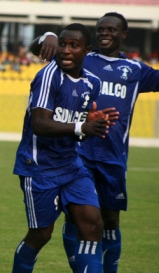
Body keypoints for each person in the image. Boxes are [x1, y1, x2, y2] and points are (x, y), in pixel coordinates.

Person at [36, 12, 159, 273]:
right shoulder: (83, 58)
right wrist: (48, 35)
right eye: (101, 29)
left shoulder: (136, 70)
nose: (105, 33)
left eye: (111, 29)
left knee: (110, 220)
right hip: (79, 153)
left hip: (112, 157)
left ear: (124, 34)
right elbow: (43, 48)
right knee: (76, 216)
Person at [13, 23, 119, 273]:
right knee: (41, 234)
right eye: (62, 44)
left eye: (74, 46)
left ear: (86, 51)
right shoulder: (49, 75)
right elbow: (40, 124)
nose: (66, 51)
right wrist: (81, 127)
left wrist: (90, 124)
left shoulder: (92, 82)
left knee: (93, 226)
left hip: (71, 166)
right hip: (38, 168)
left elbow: (77, 131)